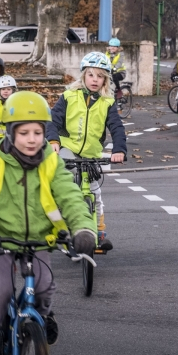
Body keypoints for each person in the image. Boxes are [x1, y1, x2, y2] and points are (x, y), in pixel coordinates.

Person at [0, 91, 97, 355]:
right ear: (9, 133)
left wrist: (84, 229)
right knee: (1, 292)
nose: (32, 139)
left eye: (37, 132)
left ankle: (38, 320)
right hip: (0, 241)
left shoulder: (51, 163)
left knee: (44, 287)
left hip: (41, 240)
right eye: (24, 133)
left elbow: (71, 197)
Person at [46, 51, 127, 251]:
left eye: (100, 76)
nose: (95, 80)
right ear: (83, 76)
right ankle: (58, 225)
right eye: (91, 75)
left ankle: (99, 232)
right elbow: (52, 121)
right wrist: (53, 140)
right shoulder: (68, 96)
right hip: (67, 149)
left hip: (90, 154)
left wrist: (119, 149)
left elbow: (116, 127)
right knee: (63, 185)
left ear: (105, 80)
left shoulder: (107, 103)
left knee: (95, 193)